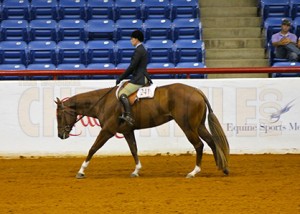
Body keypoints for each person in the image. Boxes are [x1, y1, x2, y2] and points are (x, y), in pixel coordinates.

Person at [116, 30, 152, 126]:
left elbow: (132, 67)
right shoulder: (141, 49)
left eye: (132, 38)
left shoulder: (139, 50)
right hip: (141, 76)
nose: (131, 40)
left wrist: (121, 77)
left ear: (136, 39)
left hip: (139, 78)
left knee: (122, 93)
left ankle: (128, 115)